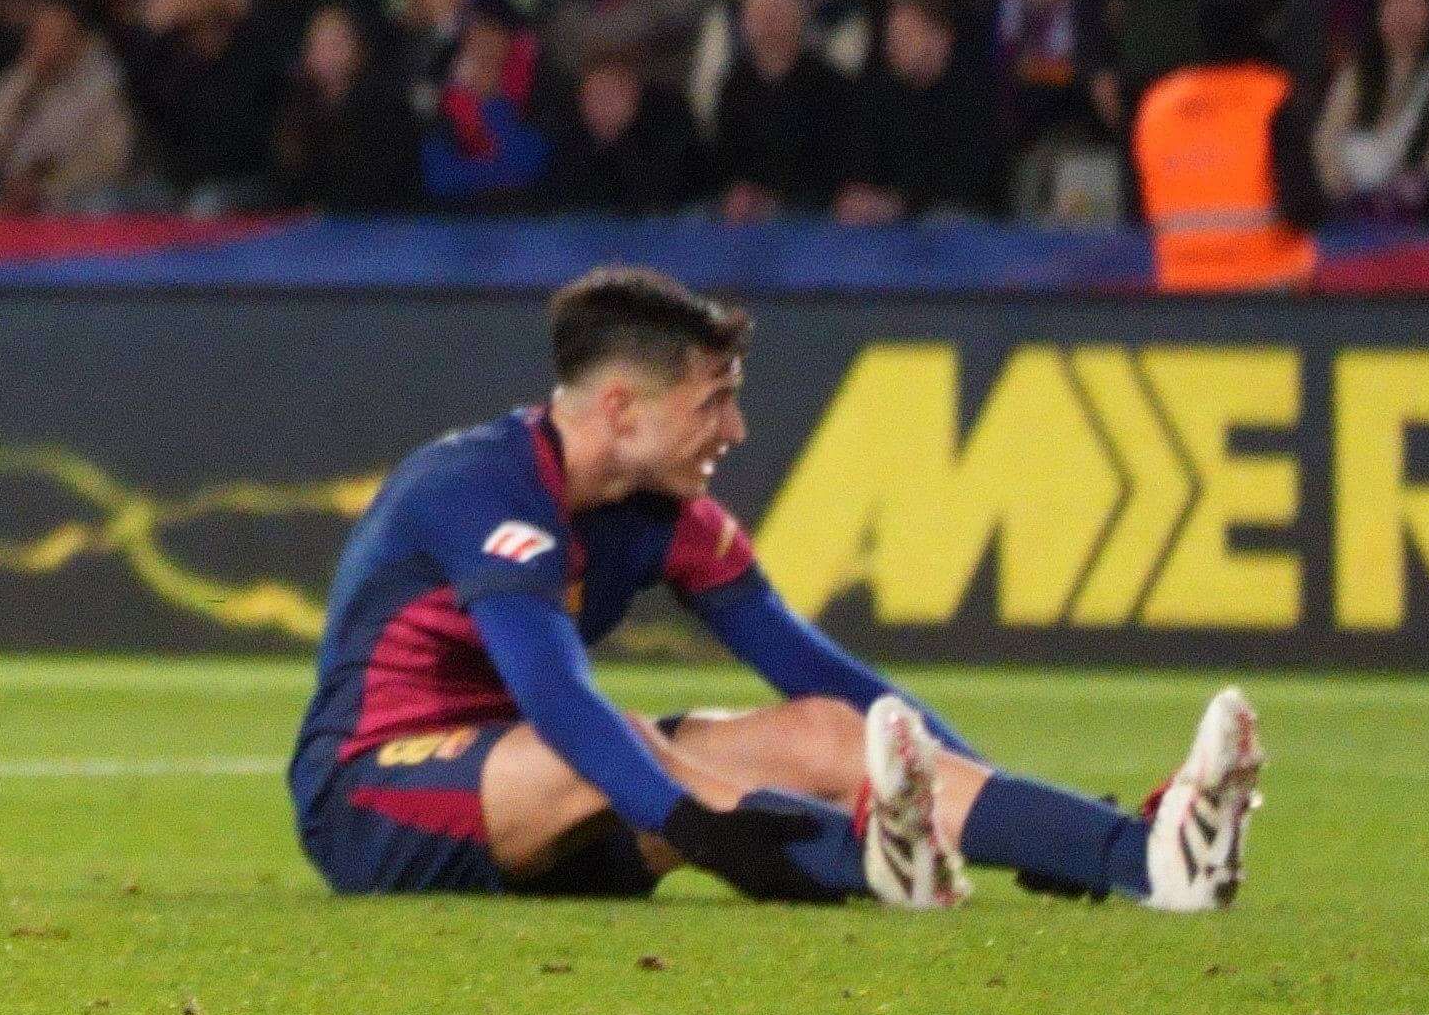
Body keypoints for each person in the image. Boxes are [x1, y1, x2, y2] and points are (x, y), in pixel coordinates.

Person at [291, 265, 1257, 914]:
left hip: (560, 802)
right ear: (622, 409)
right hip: (375, 802)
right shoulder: (481, 490)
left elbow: (821, 671)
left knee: (828, 730)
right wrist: (703, 828)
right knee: (613, 733)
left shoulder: (663, 511)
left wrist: (1012, 820)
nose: (737, 429)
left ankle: (1153, 862)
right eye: (714, 400)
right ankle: (861, 861)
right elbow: (559, 704)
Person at [1133, 0, 1317, 289]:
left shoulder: (1159, 102)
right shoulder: (1272, 96)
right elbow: (1303, 204)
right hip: (1270, 281)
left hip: (1182, 285)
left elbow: (1135, 204)